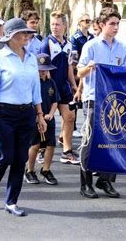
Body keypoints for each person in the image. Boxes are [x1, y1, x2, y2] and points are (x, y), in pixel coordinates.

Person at [0, 18, 47, 217]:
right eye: (23, 33)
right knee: (5, 156)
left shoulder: (30, 58)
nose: (27, 36)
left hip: (27, 113)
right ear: (10, 36)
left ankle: (11, 201)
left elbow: (36, 89)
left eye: (28, 33)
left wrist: (39, 115)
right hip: (5, 113)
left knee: (21, 158)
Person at [77, 7, 126, 198]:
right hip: (94, 98)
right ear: (101, 25)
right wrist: (90, 67)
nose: (116, 27)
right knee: (91, 140)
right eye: (112, 24)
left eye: (118, 24)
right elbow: (80, 72)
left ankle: (105, 180)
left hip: (115, 99)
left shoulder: (122, 48)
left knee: (115, 139)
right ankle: (85, 183)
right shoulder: (91, 46)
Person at [40, 11, 79, 165]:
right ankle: (41, 150)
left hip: (64, 87)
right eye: (52, 24)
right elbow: (42, 67)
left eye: (57, 24)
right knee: (46, 119)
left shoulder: (69, 44)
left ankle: (67, 151)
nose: (54, 27)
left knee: (70, 117)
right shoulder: (46, 43)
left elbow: (70, 66)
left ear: (64, 25)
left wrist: (74, 85)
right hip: (49, 87)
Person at [25, 53, 60, 185]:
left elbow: (55, 101)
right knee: (35, 145)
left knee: (51, 145)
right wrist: (37, 116)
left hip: (48, 119)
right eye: (40, 69)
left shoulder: (51, 83)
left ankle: (46, 170)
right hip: (36, 119)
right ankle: (29, 170)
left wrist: (51, 113)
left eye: (45, 69)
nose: (43, 72)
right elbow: (30, 101)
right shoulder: (33, 83)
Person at [70, 13, 95, 138]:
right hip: (78, 69)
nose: (87, 23)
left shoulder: (92, 37)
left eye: (89, 20)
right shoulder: (75, 37)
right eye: (85, 20)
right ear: (79, 22)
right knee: (74, 100)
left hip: (89, 69)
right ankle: (73, 127)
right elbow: (74, 56)